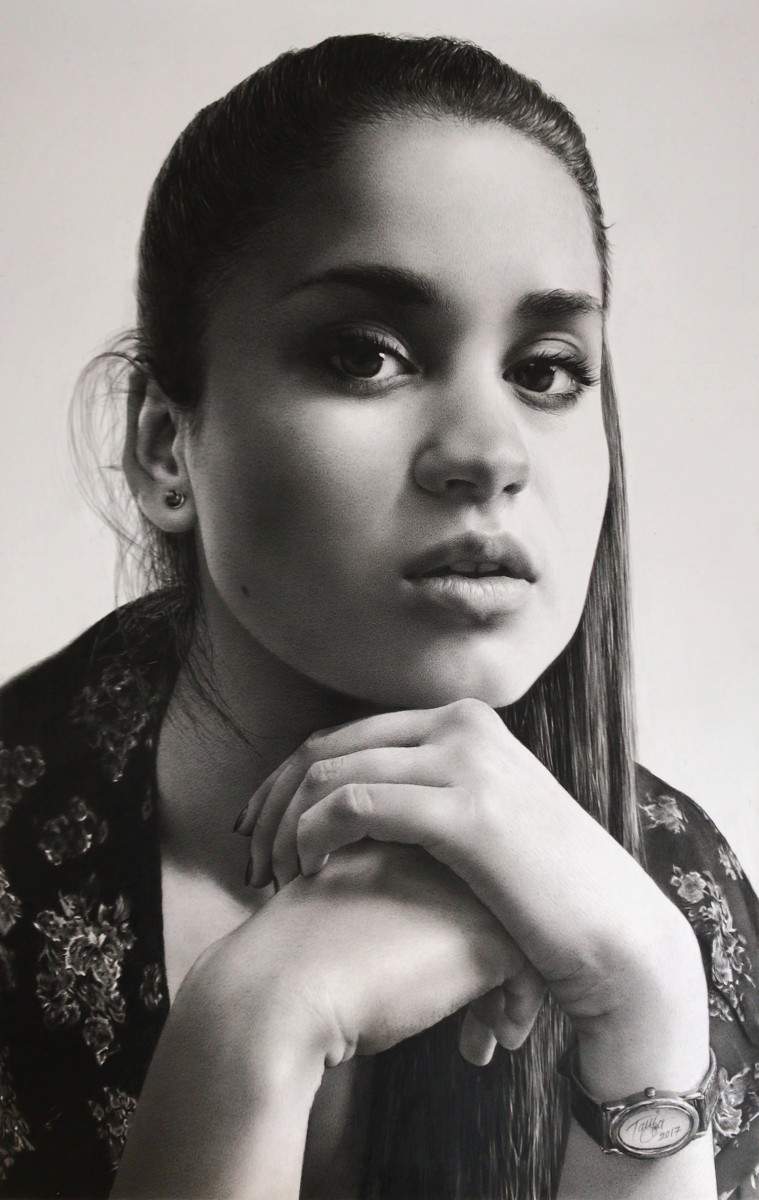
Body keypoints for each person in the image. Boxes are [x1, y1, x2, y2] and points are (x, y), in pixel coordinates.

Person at [1, 31, 757, 1200]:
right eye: (365, 355)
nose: (489, 453)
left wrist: (648, 1009)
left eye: (547, 369)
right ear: (164, 446)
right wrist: (252, 1030)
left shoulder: (669, 891)